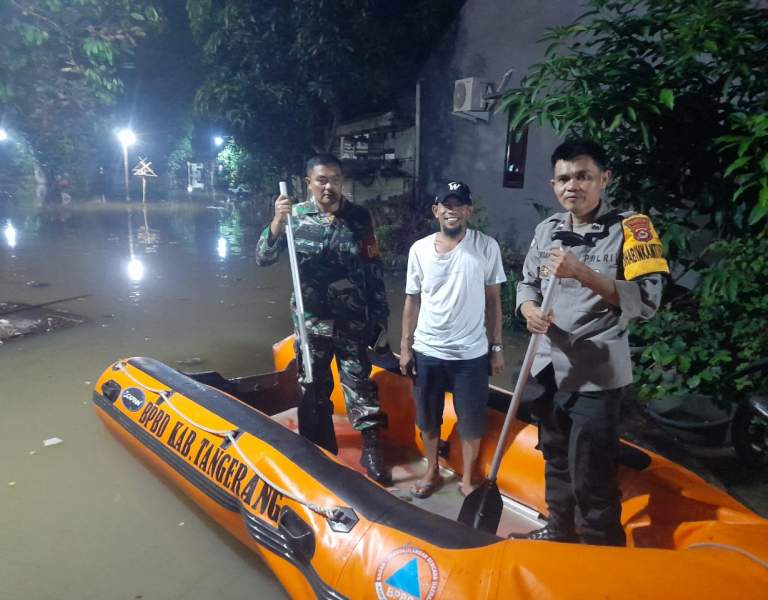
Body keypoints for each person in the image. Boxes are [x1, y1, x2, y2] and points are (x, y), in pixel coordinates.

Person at [515, 140, 669, 546]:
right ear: (553, 184)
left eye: (583, 176)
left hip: (595, 374)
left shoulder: (632, 230)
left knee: (592, 470)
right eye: (564, 178)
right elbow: (526, 283)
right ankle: (559, 530)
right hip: (547, 366)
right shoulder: (547, 230)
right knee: (554, 456)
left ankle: (601, 550)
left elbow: (647, 302)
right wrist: (527, 308)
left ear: (604, 179)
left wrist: (583, 273)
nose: (573, 186)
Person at [255, 154, 392, 484]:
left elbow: (373, 267)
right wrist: (276, 222)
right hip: (311, 320)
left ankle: (371, 449)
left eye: (335, 179)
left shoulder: (358, 217)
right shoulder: (294, 217)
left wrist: (380, 316)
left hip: (352, 319)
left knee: (359, 383)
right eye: (321, 180)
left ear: (342, 181)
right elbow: (263, 258)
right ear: (309, 183)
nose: (329, 187)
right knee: (314, 383)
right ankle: (319, 447)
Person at [399, 181, 506, 499]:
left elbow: (494, 302)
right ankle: (431, 470)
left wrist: (496, 347)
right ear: (436, 211)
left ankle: (470, 478)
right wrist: (405, 346)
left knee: (472, 421)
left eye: (459, 204)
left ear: (469, 211)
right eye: (446, 204)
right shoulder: (418, 249)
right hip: (427, 350)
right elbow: (412, 300)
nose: (452, 210)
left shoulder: (487, 247)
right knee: (428, 418)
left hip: (471, 355)